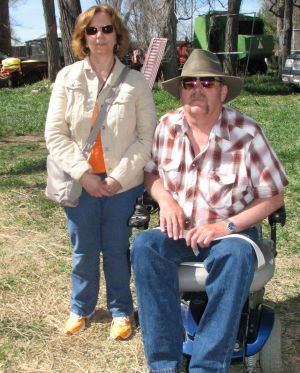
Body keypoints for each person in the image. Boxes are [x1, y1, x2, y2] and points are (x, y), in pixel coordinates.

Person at [131, 49, 288, 372]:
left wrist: (224, 228)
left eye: (208, 82)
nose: (197, 88)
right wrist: (166, 200)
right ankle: (164, 365)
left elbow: (273, 197)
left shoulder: (247, 133)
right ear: (181, 90)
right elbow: (151, 173)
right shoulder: (167, 127)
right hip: (181, 231)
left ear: (223, 90)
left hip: (231, 233)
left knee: (234, 256)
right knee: (145, 246)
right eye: (190, 83)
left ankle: (206, 365)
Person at [45, 4, 156, 340]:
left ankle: (121, 310)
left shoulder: (135, 81)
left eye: (107, 29)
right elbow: (54, 133)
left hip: (122, 184)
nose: (100, 36)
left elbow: (145, 138)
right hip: (80, 184)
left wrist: (116, 178)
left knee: (117, 249)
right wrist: (84, 174)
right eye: (92, 30)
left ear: (117, 35)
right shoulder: (67, 78)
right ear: (82, 37)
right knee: (83, 250)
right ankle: (81, 307)